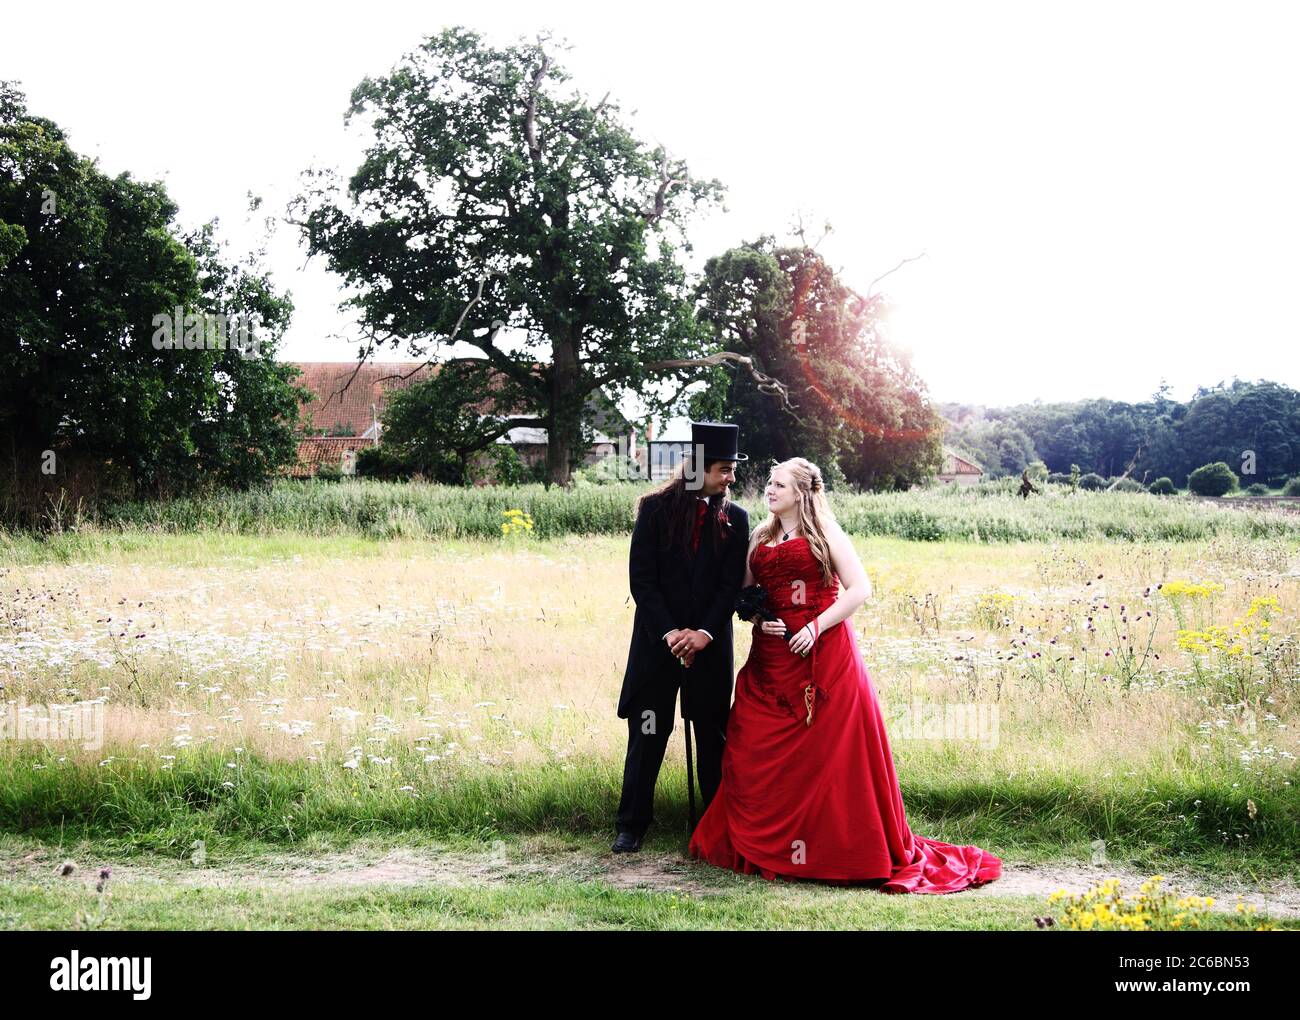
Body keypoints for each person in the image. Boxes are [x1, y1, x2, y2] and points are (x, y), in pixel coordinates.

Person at [687, 457, 1002, 892]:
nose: (769, 491)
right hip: (770, 659)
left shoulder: (825, 534)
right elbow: (744, 592)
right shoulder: (760, 535)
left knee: (826, 755)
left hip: (823, 655)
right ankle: (761, 843)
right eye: (769, 485)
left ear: (800, 492)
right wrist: (760, 619)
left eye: (779, 485)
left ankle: (829, 849)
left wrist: (816, 625)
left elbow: (860, 589)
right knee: (749, 742)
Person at [613, 421, 750, 853]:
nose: (731, 478)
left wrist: (704, 633)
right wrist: (672, 633)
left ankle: (712, 825)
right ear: (697, 468)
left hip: (710, 647)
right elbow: (643, 580)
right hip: (658, 645)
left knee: (712, 734)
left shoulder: (737, 518)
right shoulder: (654, 510)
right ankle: (632, 824)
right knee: (649, 730)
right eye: (723, 469)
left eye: (732, 470)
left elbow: (730, 586)